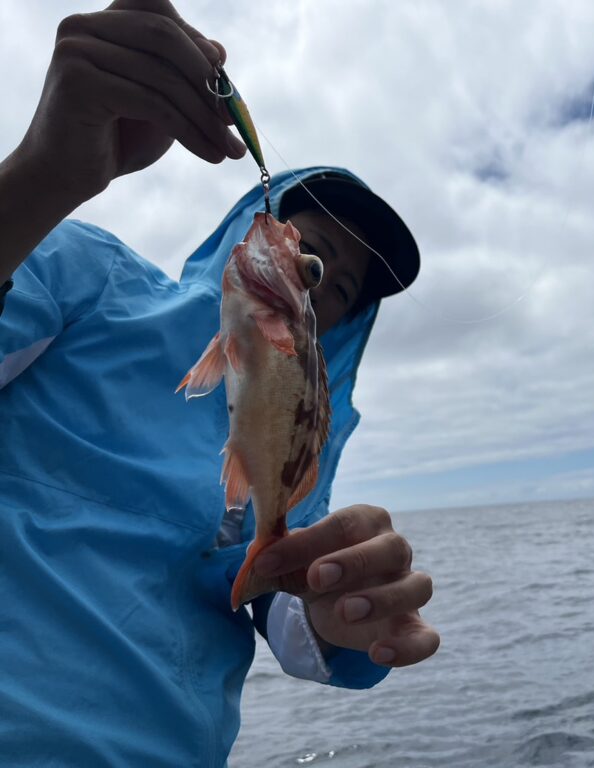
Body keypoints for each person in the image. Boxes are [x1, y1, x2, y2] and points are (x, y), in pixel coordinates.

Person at [0, 2, 439, 765]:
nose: (315, 280)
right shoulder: (84, 272)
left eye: (337, 290)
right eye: (311, 252)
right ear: (249, 227)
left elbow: (274, 590)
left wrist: (343, 607)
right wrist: (41, 176)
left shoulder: (303, 434)